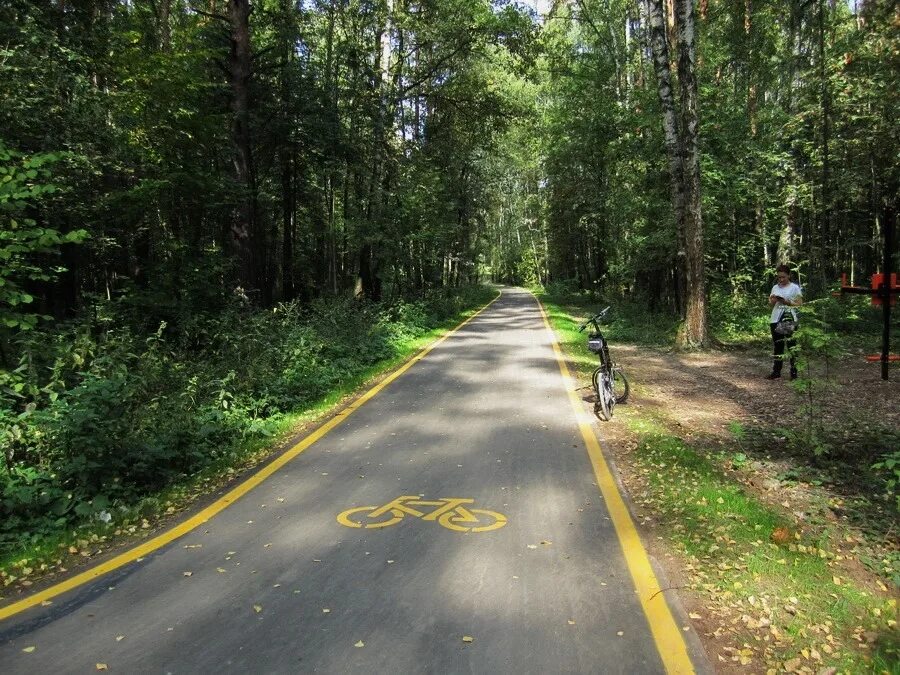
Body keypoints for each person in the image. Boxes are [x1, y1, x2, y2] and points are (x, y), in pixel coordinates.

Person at [766, 264, 802, 380]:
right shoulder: (775, 287)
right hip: (775, 319)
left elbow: (799, 304)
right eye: (779, 277)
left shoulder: (794, 288)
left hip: (788, 319)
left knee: (791, 347)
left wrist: (787, 302)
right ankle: (776, 372)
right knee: (778, 347)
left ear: (789, 275)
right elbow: (770, 304)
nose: (781, 279)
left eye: (783, 277)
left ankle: (794, 373)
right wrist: (772, 300)